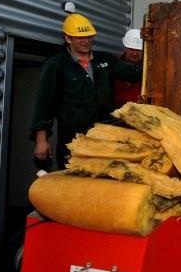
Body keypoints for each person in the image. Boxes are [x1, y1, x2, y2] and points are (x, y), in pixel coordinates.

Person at [30, 14, 142, 170]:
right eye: (80, 37)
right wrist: (41, 141)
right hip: (74, 139)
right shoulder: (56, 65)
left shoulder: (106, 60)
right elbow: (43, 104)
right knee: (74, 183)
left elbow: (135, 73)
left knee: (104, 180)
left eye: (89, 37)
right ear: (68, 38)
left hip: (106, 137)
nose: (86, 41)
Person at [114, 28, 143, 107]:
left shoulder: (148, 69)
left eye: (138, 50)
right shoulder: (113, 65)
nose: (134, 53)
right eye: (131, 49)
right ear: (124, 48)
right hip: (115, 113)